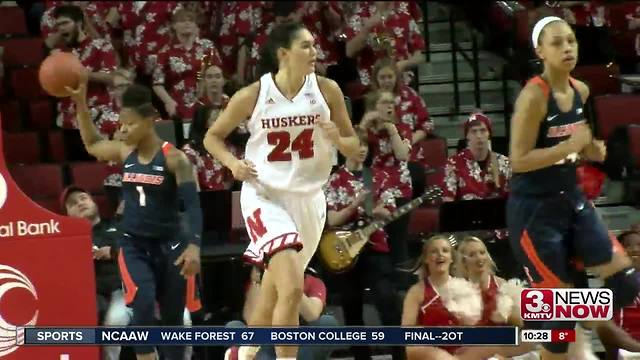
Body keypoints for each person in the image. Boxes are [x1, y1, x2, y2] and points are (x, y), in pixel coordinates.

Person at [204, 21, 360, 359]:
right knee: (291, 288)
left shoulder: (327, 90)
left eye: (314, 45)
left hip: (309, 200)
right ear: (283, 53)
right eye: (305, 46)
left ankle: (242, 354)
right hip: (265, 196)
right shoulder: (253, 95)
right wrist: (233, 164)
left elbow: (354, 146)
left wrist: (337, 139)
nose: (314, 51)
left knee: (275, 294)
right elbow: (211, 137)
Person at [508, 16, 640, 360]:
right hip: (534, 212)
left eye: (571, 41)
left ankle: (582, 323)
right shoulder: (532, 97)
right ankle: (549, 321)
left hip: (572, 200)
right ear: (539, 50)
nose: (567, 47)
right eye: (557, 42)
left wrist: (591, 150)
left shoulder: (581, 90)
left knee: (626, 283)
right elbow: (518, 161)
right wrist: (569, 147)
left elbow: (579, 145)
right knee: (558, 331)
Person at [66, 74, 202, 360]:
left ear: (150, 121)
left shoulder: (175, 159)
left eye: (129, 124)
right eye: (121, 125)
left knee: (174, 319)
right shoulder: (124, 150)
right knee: (141, 303)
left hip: (170, 244)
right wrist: (80, 105)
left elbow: (192, 206)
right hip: (134, 244)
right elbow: (92, 144)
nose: (123, 130)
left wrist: (194, 245)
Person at [323, 136, 402, 360]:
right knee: (351, 306)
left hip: (376, 246)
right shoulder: (334, 180)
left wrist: (379, 212)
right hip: (346, 251)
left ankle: (400, 354)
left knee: (388, 302)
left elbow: (389, 211)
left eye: (365, 144)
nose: (362, 149)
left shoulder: (379, 176)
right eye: (357, 144)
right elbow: (332, 219)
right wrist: (355, 205)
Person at [61, 185, 131, 360]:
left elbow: (140, 247)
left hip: (123, 290)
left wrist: (113, 251)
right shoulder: (66, 241)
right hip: (91, 295)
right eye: (72, 203)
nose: (80, 203)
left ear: (94, 202)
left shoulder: (118, 225)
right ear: (67, 214)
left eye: (83, 198)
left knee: (114, 322)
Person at [225, 267, 338, 360]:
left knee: (328, 322)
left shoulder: (313, 281)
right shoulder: (259, 281)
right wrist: (258, 281)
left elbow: (312, 314)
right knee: (233, 327)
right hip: (267, 340)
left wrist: (290, 285)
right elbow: (250, 320)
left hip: (299, 339)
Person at [401, 235, 483, 360]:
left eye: (445, 250)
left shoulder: (464, 287)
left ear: (451, 258)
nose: (440, 255)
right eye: (434, 251)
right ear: (426, 259)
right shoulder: (416, 292)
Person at [441, 112, 511, 202]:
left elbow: (513, 199)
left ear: (489, 134)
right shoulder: (454, 164)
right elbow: (448, 199)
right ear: (467, 136)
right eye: (474, 131)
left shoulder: (503, 162)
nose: (479, 136)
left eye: (483, 130)